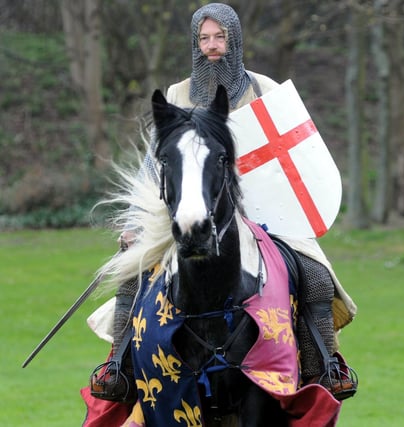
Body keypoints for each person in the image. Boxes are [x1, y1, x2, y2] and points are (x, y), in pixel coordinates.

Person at [90, 1, 356, 408]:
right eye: (205, 38)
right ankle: (119, 367)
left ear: (234, 40)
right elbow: (158, 162)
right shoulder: (178, 95)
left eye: (220, 37)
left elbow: (294, 158)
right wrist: (136, 222)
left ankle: (325, 367)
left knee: (316, 274)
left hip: (268, 215)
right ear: (195, 45)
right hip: (194, 213)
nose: (213, 46)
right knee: (134, 271)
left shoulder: (264, 90)